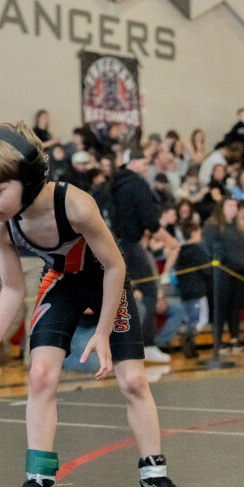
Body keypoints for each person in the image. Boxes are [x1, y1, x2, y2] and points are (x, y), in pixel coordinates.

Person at [0, 122, 190, 487]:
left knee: (134, 380)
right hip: (62, 282)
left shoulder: (75, 205)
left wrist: (102, 331)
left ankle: (155, 477)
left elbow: (115, 266)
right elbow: (12, 289)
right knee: (40, 375)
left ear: (30, 179)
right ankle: (40, 483)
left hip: (106, 280)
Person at [110, 148, 179, 362]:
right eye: (143, 163)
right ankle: (146, 344)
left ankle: (123, 346)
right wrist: (170, 241)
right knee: (149, 291)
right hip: (129, 244)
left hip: (111, 244)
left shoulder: (113, 183)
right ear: (132, 162)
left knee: (120, 295)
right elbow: (149, 221)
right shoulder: (138, 184)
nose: (146, 167)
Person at [202, 197, 244, 353]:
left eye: (235, 205)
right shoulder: (213, 227)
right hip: (223, 272)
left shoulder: (239, 228)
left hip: (240, 272)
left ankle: (234, 339)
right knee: (220, 306)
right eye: (230, 205)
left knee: (235, 306)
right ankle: (218, 341)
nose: (234, 208)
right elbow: (210, 249)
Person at [153, 222, 209, 358]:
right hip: (197, 292)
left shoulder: (180, 252)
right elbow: (207, 270)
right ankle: (189, 337)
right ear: (194, 233)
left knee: (190, 320)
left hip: (185, 293)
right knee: (201, 321)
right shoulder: (198, 250)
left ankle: (190, 345)